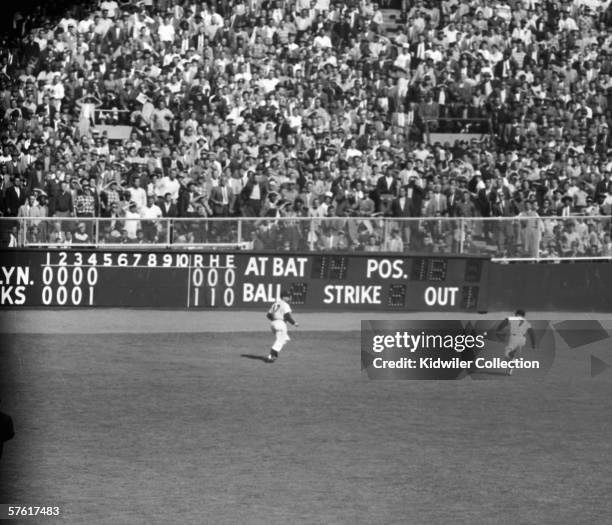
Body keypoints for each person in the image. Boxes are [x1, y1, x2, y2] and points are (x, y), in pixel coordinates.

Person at [496, 309, 536, 375]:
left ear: (516, 314)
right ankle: (511, 368)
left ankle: (512, 363)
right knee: (515, 355)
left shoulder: (511, 318)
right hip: (522, 340)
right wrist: (533, 344)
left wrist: (498, 329)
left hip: (514, 338)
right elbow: (531, 333)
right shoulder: (527, 322)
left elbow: (503, 323)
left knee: (507, 354)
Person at [265, 289, 299, 363]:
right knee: (280, 341)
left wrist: (275, 320)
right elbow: (287, 315)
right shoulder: (285, 305)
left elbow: (268, 315)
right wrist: (294, 323)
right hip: (280, 324)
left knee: (285, 339)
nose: (289, 298)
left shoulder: (275, 304)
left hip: (273, 324)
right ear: (283, 297)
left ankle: (274, 354)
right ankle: (271, 355)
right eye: (288, 296)